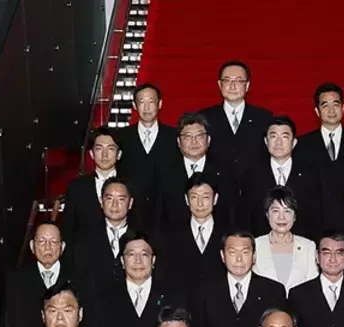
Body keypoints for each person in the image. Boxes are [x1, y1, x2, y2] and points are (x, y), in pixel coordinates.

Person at [239, 116, 319, 238]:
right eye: (273, 136)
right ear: (266, 141)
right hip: (261, 242)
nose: (278, 142)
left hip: (301, 242)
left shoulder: (311, 174)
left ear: (294, 142)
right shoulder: (251, 175)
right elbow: (246, 215)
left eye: (284, 137)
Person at [156, 113, 234, 229]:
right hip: (174, 236)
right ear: (178, 142)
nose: (194, 142)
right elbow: (158, 215)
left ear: (208, 140)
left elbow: (231, 212)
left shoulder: (225, 171)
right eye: (188, 137)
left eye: (199, 136)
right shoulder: (163, 172)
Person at [117, 84, 179, 228]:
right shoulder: (121, 137)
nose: (146, 107)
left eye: (151, 102)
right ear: (134, 105)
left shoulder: (174, 137)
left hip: (166, 216)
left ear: (160, 104)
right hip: (131, 215)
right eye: (141, 102)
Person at [5, 222, 71, 327]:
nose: (47, 247)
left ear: (62, 247)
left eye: (53, 242)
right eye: (41, 241)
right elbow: (11, 326)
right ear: (32, 246)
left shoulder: (78, 278)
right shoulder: (16, 280)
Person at [157, 173, 228, 293]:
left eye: (205, 197)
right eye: (194, 197)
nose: (200, 204)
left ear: (215, 199)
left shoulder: (228, 233)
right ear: (186, 199)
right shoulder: (171, 235)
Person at [200, 61, 272, 178]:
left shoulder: (263, 117)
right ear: (220, 85)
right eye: (227, 80)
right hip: (215, 184)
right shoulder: (205, 117)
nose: (232, 86)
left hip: (254, 184)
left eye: (239, 81)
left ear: (247, 85)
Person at [63, 127, 126, 244]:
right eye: (99, 149)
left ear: (119, 154)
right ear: (91, 154)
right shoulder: (77, 188)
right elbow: (68, 230)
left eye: (110, 149)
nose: (104, 155)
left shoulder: (132, 186)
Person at [72, 178, 134, 296]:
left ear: (130, 203)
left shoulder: (144, 237)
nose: (115, 204)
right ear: (101, 201)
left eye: (121, 199)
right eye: (109, 198)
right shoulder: (83, 237)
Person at [252, 186, 318, 293]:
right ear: (267, 214)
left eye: (287, 211)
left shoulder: (308, 246)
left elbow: (312, 286)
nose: (281, 217)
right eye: (275, 211)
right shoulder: (255, 245)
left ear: (295, 216)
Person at [296, 83, 344, 169]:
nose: (331, 111)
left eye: (335, 105)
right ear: (317, 111)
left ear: (343, 108)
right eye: (325, 106)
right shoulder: (302, 144)